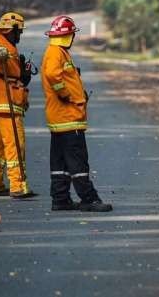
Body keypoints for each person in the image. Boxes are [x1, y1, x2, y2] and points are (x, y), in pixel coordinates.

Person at [40, 15, 112, 212]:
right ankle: (89, 198)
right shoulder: (56, 53)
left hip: (60, 119)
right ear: (67, 36)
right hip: (68, 117)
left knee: (60, 162)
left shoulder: (56, 51)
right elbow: (53, 75)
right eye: (71, 35)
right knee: (77, 161)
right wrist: (65, 93)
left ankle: (60, 199)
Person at [0, 12, 36, 198]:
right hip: (5, 101)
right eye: (18, 31)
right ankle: (18, 185)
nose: (19, 35)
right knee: (15, 143)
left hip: (7, 100)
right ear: (10, 30)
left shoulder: (9, 45)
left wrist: (23, 72)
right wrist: (0, 52)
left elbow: (15, 73)